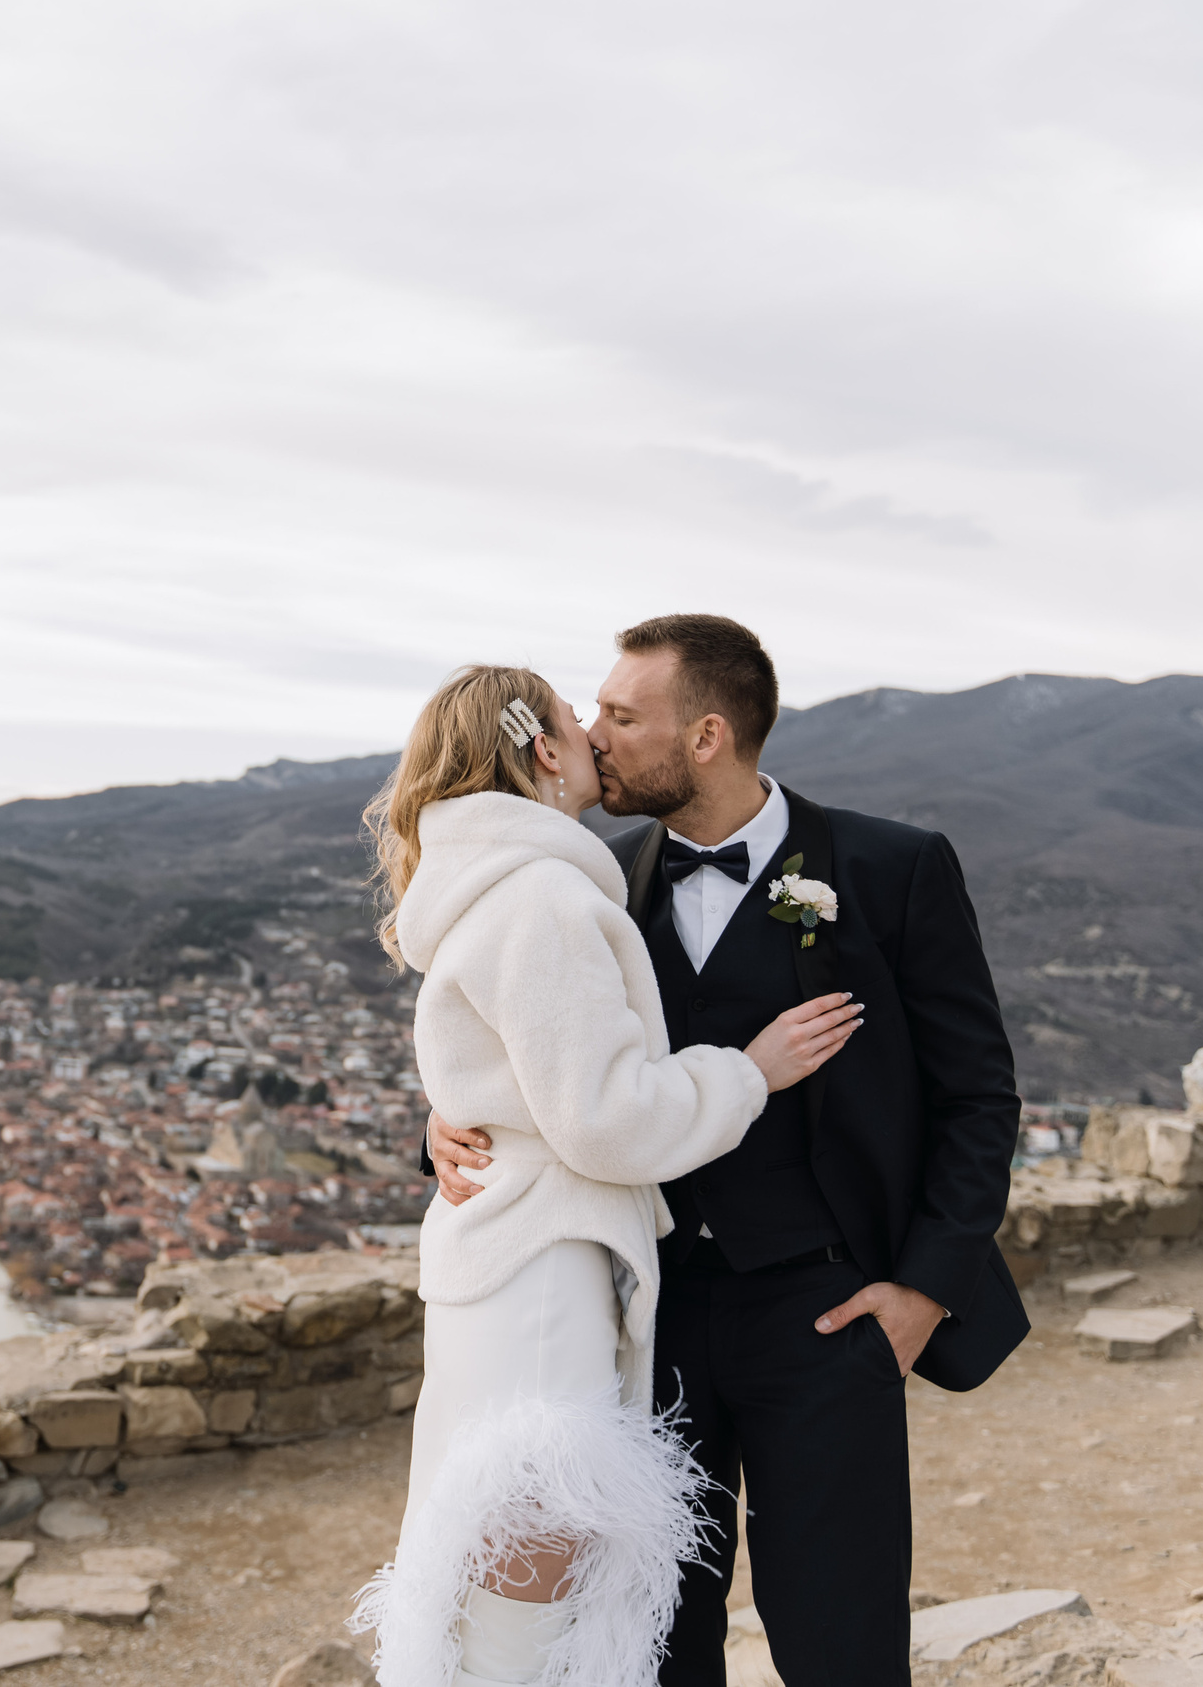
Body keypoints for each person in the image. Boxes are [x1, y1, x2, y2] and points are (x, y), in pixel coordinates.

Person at [427, 616, 1028, 1687]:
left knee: (842, 1633)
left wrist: (923, 1290)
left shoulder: (891, 869)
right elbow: (525, 1053)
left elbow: (977, 1095)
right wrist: (442, 1128)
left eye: (621, 715)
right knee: (655, 1637)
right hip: (647, 1320)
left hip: (831, 1312)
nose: (594, 735)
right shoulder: (590, 882)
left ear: (705, 737)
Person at [350, 663, 863, 1687]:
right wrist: (745, 1072)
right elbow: (603, 1122)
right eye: (576, 720)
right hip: (543, 1259)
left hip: (504, 1242)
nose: (593, 732)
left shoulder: (484, 885)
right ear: (542, 751)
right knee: (536, 1531)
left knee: (499, 1522)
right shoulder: (543, 895)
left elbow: (508, 1076)